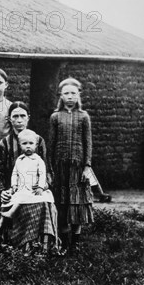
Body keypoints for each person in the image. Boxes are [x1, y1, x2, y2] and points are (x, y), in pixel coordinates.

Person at [0, 102, 58, 252]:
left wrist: (44, 184)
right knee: (12, 201)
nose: (19, 120)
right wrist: (3, 190)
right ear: (10, 119)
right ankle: (15, 245)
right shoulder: (4, 143)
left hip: (35, 186)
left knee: (46, 202)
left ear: (28, 118)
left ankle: (42, 246)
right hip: (14, 187)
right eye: (15, 116)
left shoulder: (38, 141)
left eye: (23, 116)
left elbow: (47, 169)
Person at [48, 78, 94, 254]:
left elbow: (88, 143)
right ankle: (64, 241)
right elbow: (51, 145)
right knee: (62, 202)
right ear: (61, 95)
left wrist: (87, 166)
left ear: (78, 95)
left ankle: (76, 242)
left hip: (78, 167)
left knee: (77, 203)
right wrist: (50, 170)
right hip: (60, 168)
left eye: (73, 93)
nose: (70, 97)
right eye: (66, 93)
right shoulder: (55, 117)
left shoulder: (84, 117)